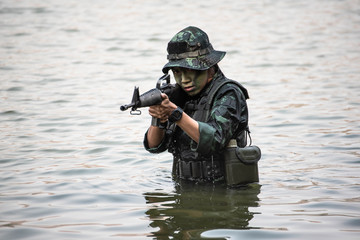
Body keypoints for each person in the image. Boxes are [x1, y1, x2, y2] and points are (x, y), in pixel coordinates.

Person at [143, 26, 251, 183]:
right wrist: (159, 117)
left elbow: (215, 139)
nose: (184, 79)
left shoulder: (228, 93)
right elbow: (154, 146)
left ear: (210, 67)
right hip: (184, 188)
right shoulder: (178, 96)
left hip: (225, 192)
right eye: (177, 72)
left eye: (190, 71)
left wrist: (175, 113)